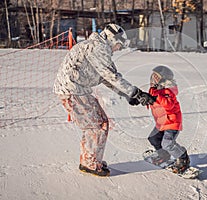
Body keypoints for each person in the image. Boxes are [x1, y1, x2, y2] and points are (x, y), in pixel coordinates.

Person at [53, 23, 156, 177]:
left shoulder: (98, 48)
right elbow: (111, 76)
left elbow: (105, 78)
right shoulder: (98, 48)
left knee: (98, 124)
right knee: (96, 126)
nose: (119, 49)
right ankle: (90, 164)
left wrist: (127, 95)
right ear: (112, 39)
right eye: (119, 45)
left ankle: (90, 160)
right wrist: (137, 93)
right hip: (73, 91)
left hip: (76, 90)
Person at [147, 65, 190, 173]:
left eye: (156, 77)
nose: (152, 79)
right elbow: (152, 101)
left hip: (172, 122)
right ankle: (164, 154)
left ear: (163, 78)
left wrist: (155, 97)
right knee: (153, 138)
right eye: (152, 76)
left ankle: (183, 158)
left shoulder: (169, 90)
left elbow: (168, 105)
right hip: (161, 122)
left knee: (167, 143)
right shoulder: (154, 90)